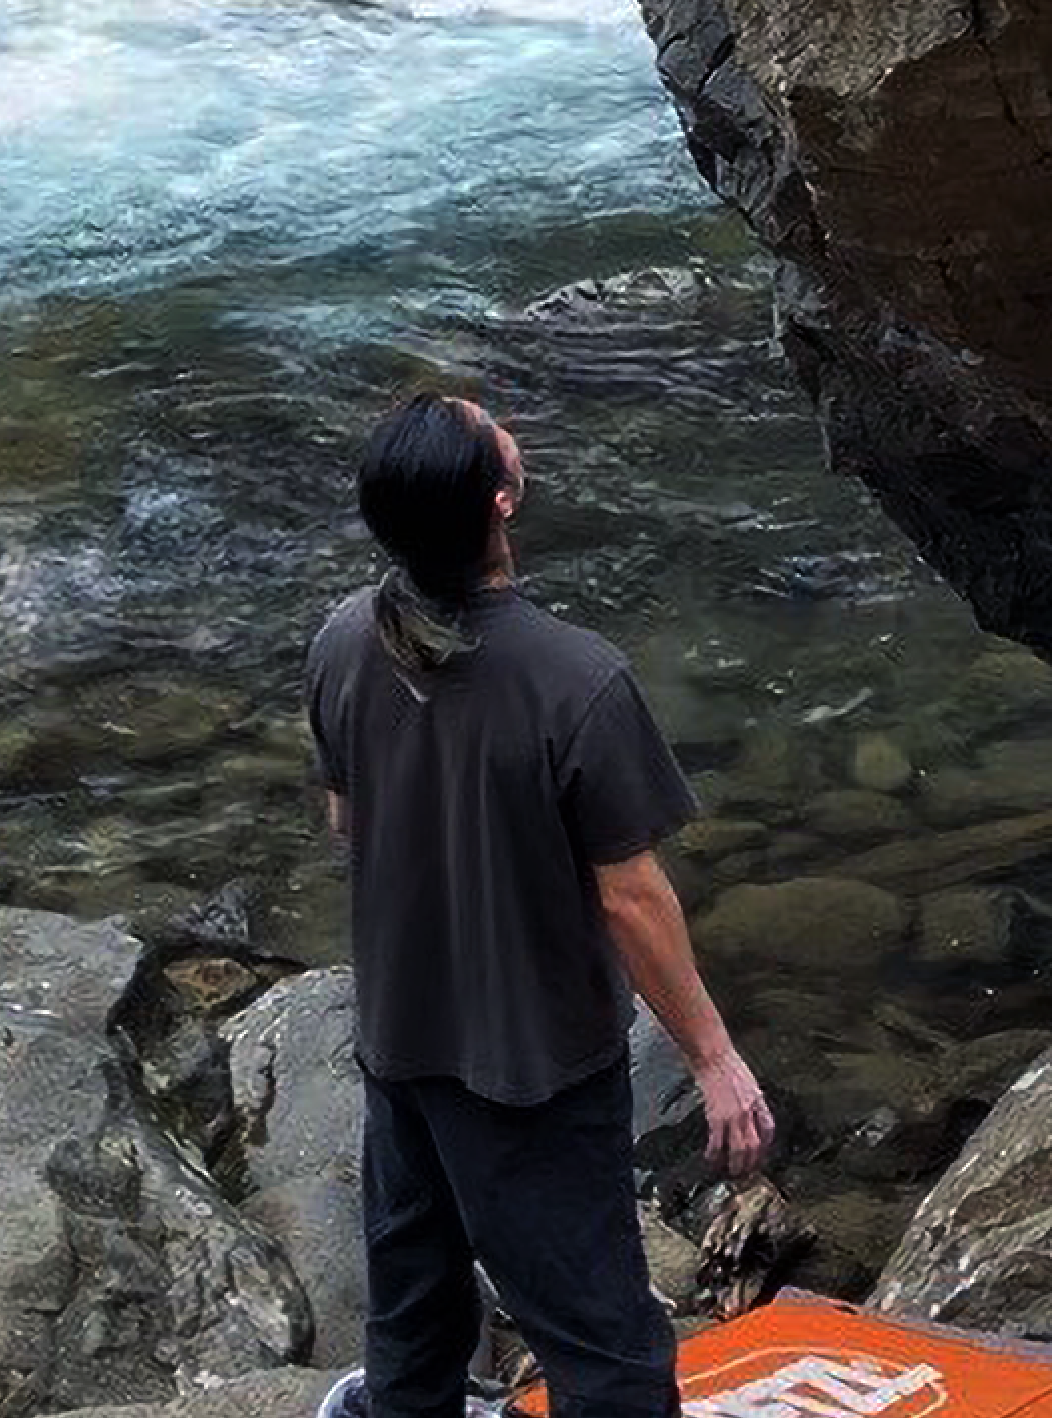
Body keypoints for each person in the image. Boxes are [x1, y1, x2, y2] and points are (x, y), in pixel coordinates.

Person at [305, 393, 773, 1418]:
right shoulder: (580, 682)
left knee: (414, 1312)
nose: (494, 413)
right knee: (603, 1342)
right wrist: (713, 1058)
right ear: (503, 499)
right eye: (486, 424)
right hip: (536, 1070)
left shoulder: (342, 642)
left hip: (399, 1041)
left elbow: (349, 822)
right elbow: (633, 900)